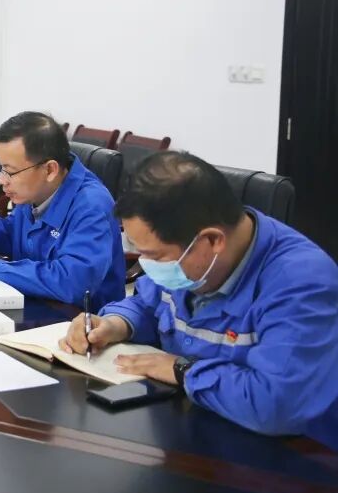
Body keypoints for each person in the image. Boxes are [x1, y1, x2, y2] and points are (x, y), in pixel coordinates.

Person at [59, 152, 338, 448]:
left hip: (289, 459)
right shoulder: (193, 260)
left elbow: (275, 404)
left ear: (212, 240)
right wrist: (116, 324)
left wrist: (182, 370)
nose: (148, 265)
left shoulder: (303, 284)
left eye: (155, 256)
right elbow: (148, 304)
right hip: (191, 431)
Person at [0, 111, 124, 308]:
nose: (1, 180)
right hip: (32, 303)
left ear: (50, 170)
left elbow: (73, 282)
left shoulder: (92, 205)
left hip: (77, 318)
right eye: (1, 169)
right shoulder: (34, 190)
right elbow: (17, 234)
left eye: (10, 171)